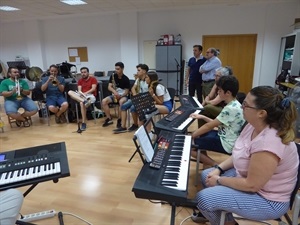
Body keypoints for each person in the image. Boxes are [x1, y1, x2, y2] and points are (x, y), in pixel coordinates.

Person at [194, 86, 299, 225]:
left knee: (204, 198)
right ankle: (222, 217)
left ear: (261, 113)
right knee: (206, 175)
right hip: (254, 183)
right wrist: (218, 169)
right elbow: (239, 154)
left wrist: (219, 180)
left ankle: (226, 221)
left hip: (269, 199)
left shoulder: (269, 142)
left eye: (245, 105)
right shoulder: (253, 125)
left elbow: (252, 185)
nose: (241, 106)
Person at [190, 75, 245, 167]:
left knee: (190, 147)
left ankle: (216, 165)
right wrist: (202, 117)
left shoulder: (230, 109)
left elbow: (209, 126)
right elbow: (218, 122)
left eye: (220, 90)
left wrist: (191, 136)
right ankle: (207, 161)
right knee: (200, 135)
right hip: (228, 137)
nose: (218, 92)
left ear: (228, 93)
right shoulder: (235, 104)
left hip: (227, 143)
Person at [113, 63, 149, 134]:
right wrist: (135, 95)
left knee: (133, 108)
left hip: (145, 99)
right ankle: (123, 126)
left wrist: (139, 97)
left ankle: (136, 124)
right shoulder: (138, 79)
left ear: (144, 71)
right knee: (123, 106)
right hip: (137, 97)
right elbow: (133, 88)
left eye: (139, 70)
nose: (137, 72)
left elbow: (149, 92)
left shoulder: (148, 80)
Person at [68, 66, 98, 131]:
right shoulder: (80, 81)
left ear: (88, 73)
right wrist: (81, 94)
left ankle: (83, 122)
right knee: (70, 92)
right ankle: (84, 101)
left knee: (81, 103)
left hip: (90, 95)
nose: (83, 74)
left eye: (84, 72)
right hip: (82, 96)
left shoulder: (93, 79)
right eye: (82, 72)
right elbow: (79, 90)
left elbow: (93, 89)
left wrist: (85, 93)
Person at [102, 62, 130, 127]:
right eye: (115, 69)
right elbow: (109, 87)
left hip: (123, 96)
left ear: (122, 69)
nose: (116, 70)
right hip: (115, 94)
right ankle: (109, 118)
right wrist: (114, 92)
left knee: (121, 102)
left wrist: (120, 96)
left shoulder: (126, 79)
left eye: (118, 69)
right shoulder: (113, 76)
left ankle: (119, 119)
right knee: (104, 101)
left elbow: (127, 91)